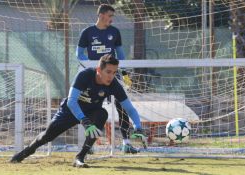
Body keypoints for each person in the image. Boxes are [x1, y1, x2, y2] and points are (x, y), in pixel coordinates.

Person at [10, 54, 146, 168]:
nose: (111, 76)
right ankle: (27, 152)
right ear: (99, 69)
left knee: (102, 114)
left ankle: (80, 157)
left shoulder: (114, 84)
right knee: (47, 136)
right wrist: (84, 120)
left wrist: (138, 127)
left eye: (114, 72)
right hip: (70, 111)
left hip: (92, 112)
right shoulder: (84, 75)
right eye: (108, 72)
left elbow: (129, 108)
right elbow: (71, 101)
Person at [76, 4, 137, 153]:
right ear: (101, 15)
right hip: (95, 79)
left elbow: (121, 56)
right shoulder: (87, 32)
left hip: (112, 77)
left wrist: (125, 76)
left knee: (122, 107)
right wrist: (91, 69)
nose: (111, 19)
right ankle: (87, 146)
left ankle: (126, 143)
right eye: (110, 16)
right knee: (93, 110)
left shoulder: (114, 32)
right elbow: (79, 54)